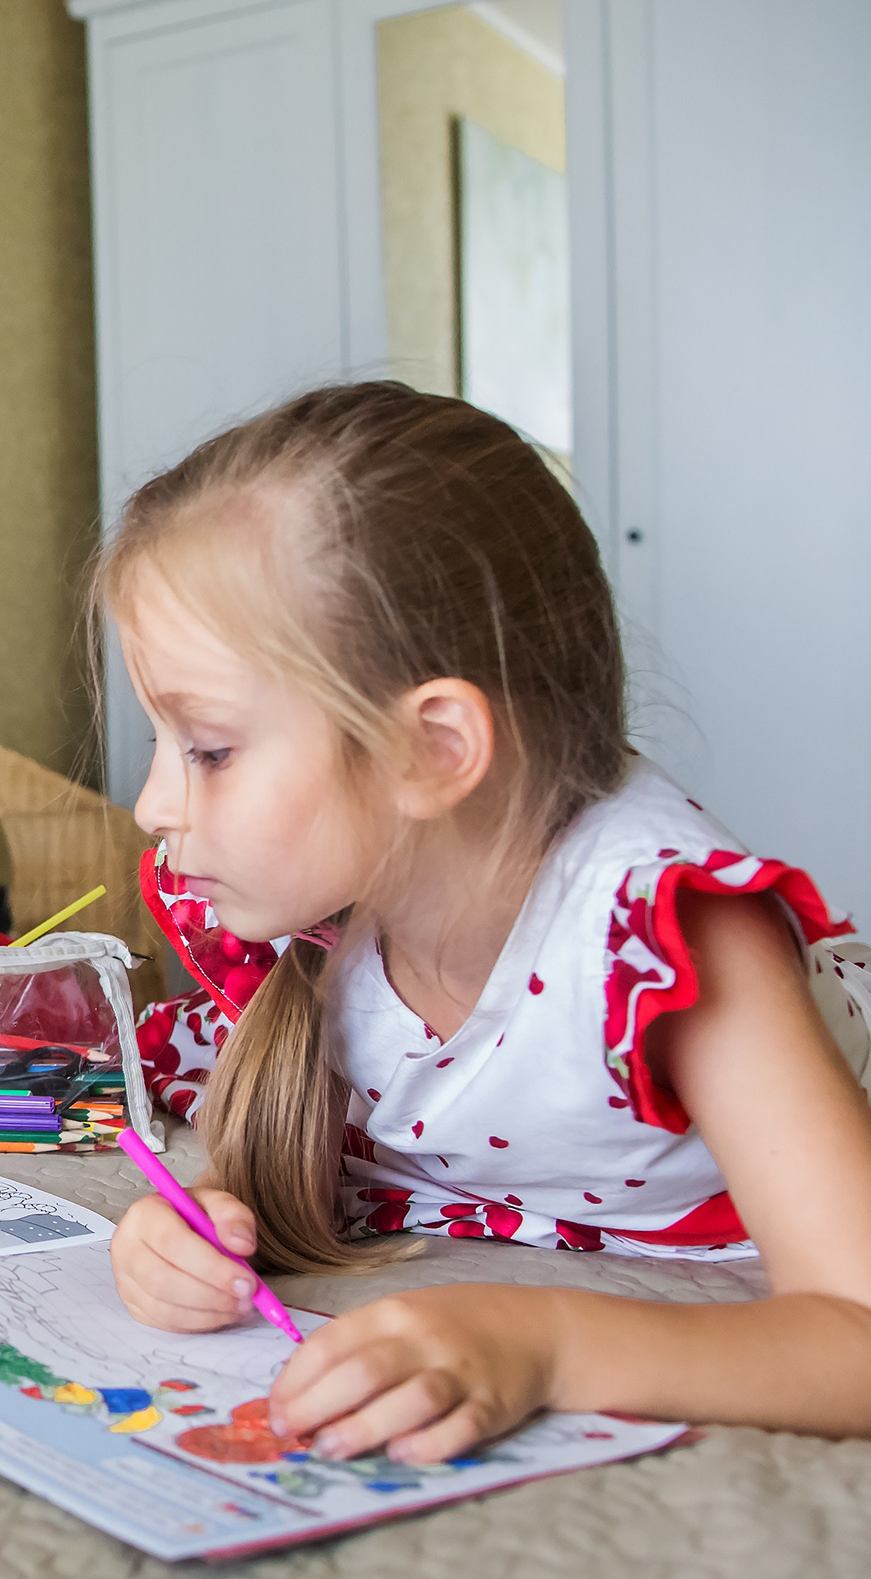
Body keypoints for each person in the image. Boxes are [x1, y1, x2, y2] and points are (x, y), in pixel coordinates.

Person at [103, 380, 871, 1459]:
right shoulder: (324, 911)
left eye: (209, 749)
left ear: (431, 751)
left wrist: (546, 1340)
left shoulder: (668, 941)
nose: (151, 807)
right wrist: (197, 1226)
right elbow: (303, 1136)